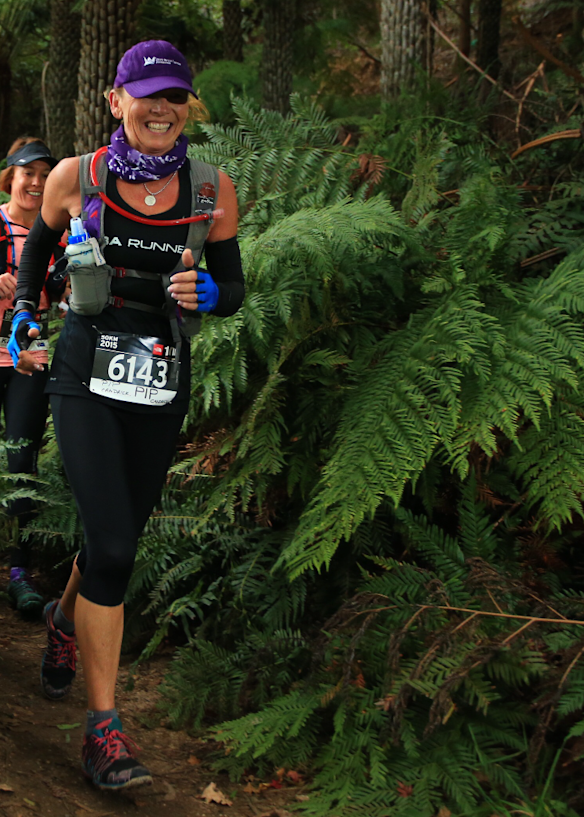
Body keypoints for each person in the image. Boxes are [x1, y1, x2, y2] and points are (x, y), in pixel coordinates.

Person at [10, 40, 244, 790]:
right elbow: (36, 256)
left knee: (116, 542)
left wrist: (212, 294)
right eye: (148, 96)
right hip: (84, 372)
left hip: (160, 380)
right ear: (117, 101)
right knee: (113, 545)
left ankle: (62, 621)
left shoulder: (211, 190)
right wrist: (23, 316)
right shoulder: (78, 178)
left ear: (187, 107)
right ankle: (103, 731)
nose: (162, 109)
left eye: (175, 96)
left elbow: (234, 288)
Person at [0, 138, 62, 618]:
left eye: (45, 175)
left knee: (22, 460)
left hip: (29, 359)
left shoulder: (57, 235)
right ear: (11, 178)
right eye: (28, 173)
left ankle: (19, 571)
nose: (37, 183)